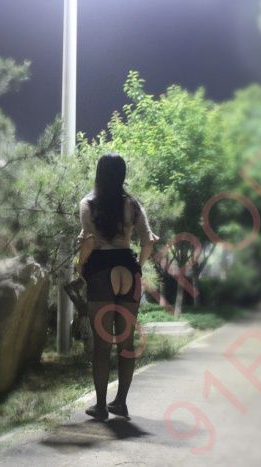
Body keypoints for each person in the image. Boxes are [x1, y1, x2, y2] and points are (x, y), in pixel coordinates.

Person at [75, 153, 160, 420]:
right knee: (126, 342)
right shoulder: (133, 204)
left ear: (99, 173)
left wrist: (80, 264)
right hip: (128, 268)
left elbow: (90, 241)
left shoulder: (88, 204)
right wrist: (139, 266)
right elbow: (148, 241)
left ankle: (101, 407)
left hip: (101, 270)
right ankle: (120, 402)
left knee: (102, 345)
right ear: (122, 175)